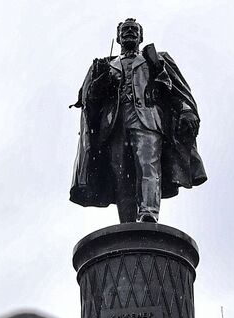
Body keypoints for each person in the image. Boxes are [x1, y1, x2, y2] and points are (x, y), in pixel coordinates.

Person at [69, 18, 207, 223]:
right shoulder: (105, 65)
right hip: (115, 125)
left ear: (141, 37)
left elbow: (178, 91)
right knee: (122, 174)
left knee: (148, 165)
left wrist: (187, 110)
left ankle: (148, 214)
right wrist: (98, 85)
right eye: (125, 30)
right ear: (117, 38)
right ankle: (127, 225)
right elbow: (90, 101)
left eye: (134, 30)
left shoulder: (156, 59)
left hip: (148, 120)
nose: (129, 33)